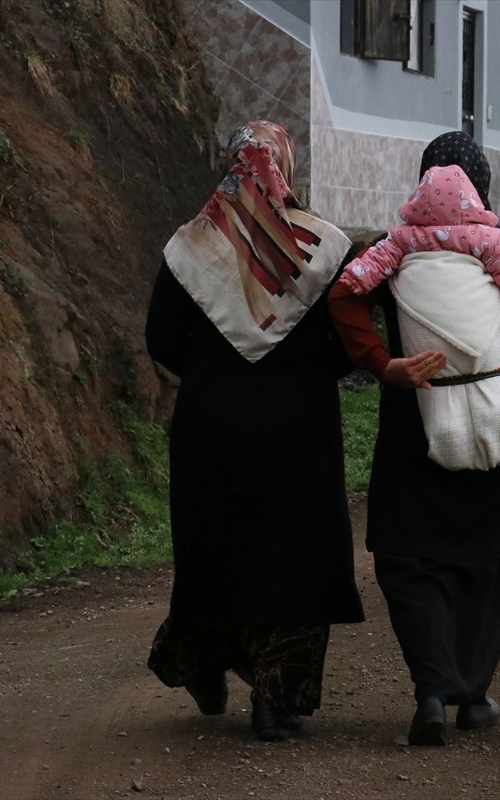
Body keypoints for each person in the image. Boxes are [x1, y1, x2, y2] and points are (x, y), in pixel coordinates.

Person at [328, 130, 500, 746]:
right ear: (482, 186)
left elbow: (345, 300)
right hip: (499, 426)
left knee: (411, 557)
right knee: (491, 560)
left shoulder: (393, 253)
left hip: (415, 416)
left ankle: (433, 689)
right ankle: (471, 690)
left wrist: (381, 362)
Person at [144, 120, 364, 742]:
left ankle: (204, 663)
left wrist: (217, 376)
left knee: (217, 547)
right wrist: (308, 373)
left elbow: (161, 337)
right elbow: (350, 340)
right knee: (293, 554)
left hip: (210, 428)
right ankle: (275, 702)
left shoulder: (190, 246)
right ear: (284, 169)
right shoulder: (324, 247)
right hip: (299, 430)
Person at [338, 164, 500, 326]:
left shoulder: (406, 236)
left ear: (419, 201)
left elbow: (381, 256)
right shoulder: (488, 238)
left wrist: (357, 277)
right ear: (473, 200)